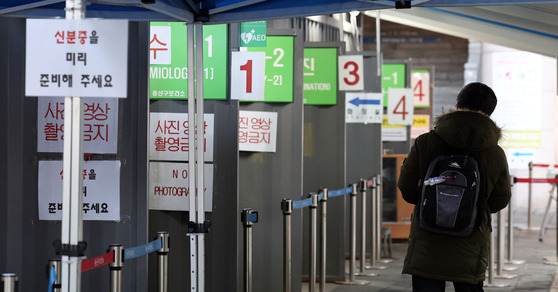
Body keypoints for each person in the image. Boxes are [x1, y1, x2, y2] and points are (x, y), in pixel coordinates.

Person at [397, 82, 512, 292]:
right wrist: (473, 207)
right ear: (490, 113)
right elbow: (501, 197)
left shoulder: (426, 142)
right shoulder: (495, 153)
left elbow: (406, 186)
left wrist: (429, 202)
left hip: (427, 240)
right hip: (471, 239)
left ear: (457, 104)